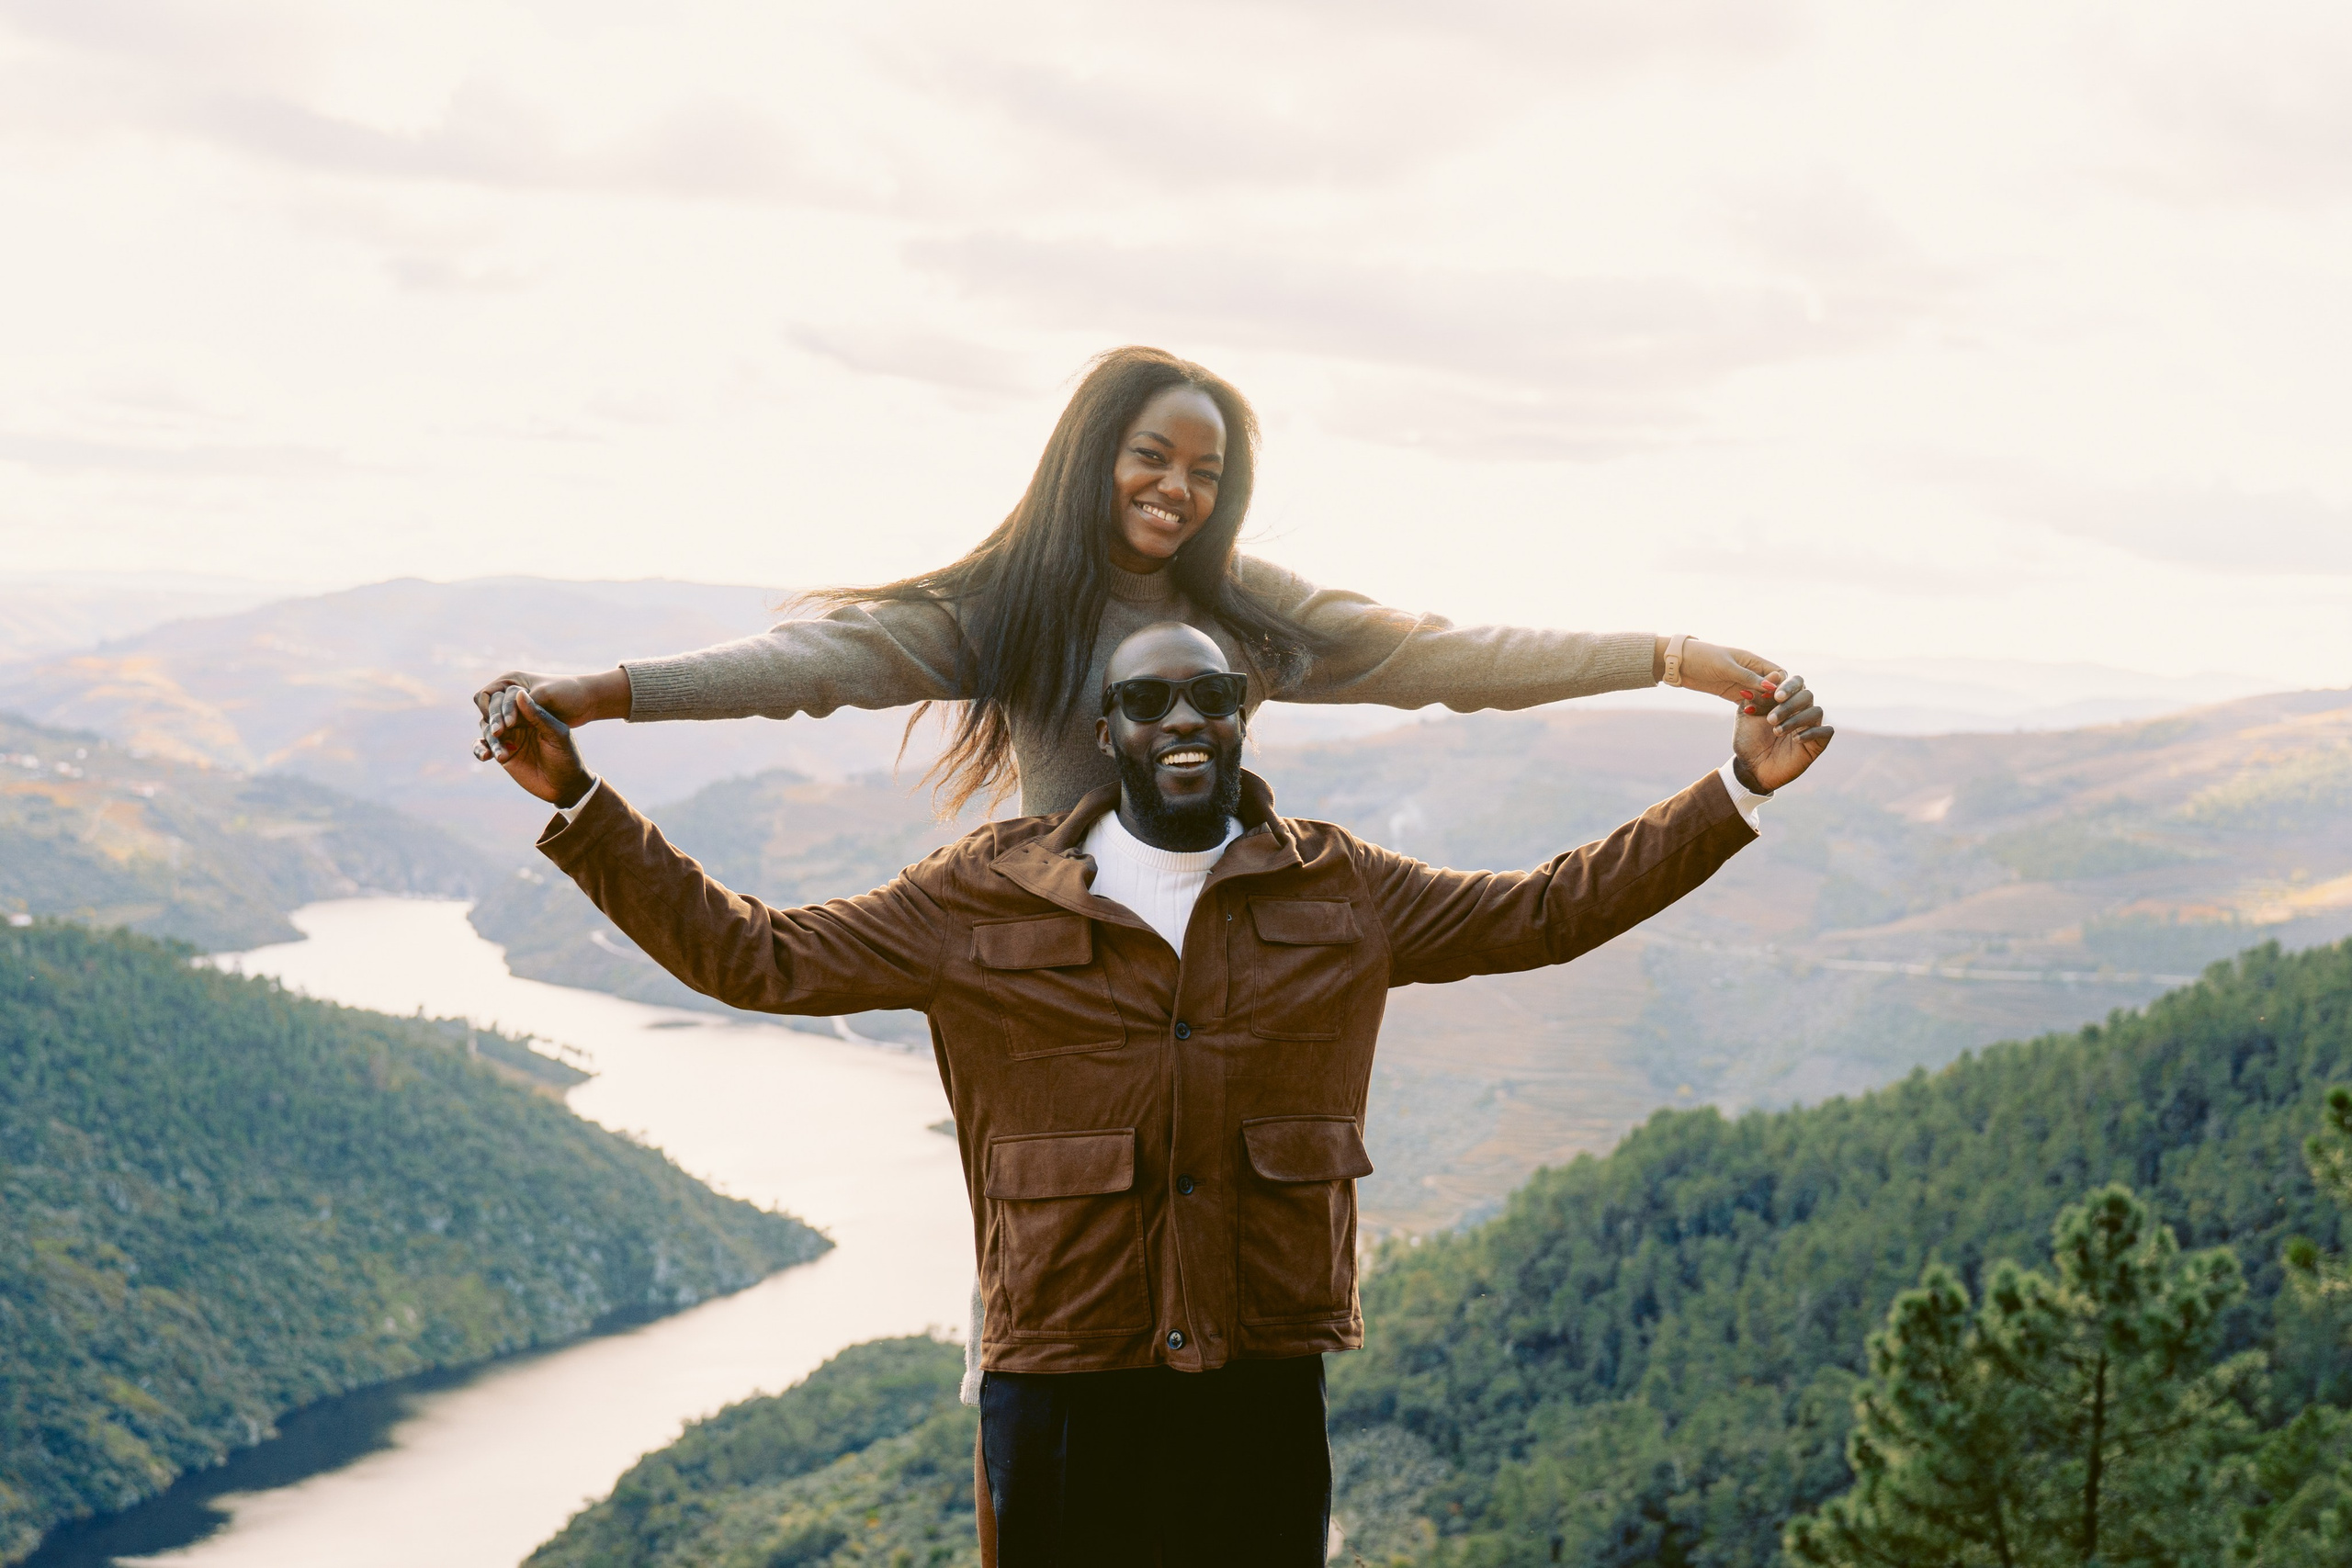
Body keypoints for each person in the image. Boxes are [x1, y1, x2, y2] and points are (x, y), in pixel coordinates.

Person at [481, 619, 1834, 1566]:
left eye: (1213, 699)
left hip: (1260, 1364)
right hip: (1064, 1372)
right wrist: (582, 807)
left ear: (1243, 720)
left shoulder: (1338, 887)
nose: (1185, 722)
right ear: (1104, 730)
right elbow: (754, 956)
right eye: (1151, 703)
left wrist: (1735, 789)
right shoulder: (980, 893)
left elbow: (1547, 912)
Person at [473, 344, 1791, 818]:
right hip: (1057, 960)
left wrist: (1670, 655)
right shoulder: (1006, 611)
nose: (1177, 490)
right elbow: (816, 666)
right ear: (1095, 453)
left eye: (1206, 473)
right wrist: (594, 694)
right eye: (1152, 457)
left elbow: (1453, 659)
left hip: (1216, 954)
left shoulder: (1249, 609)